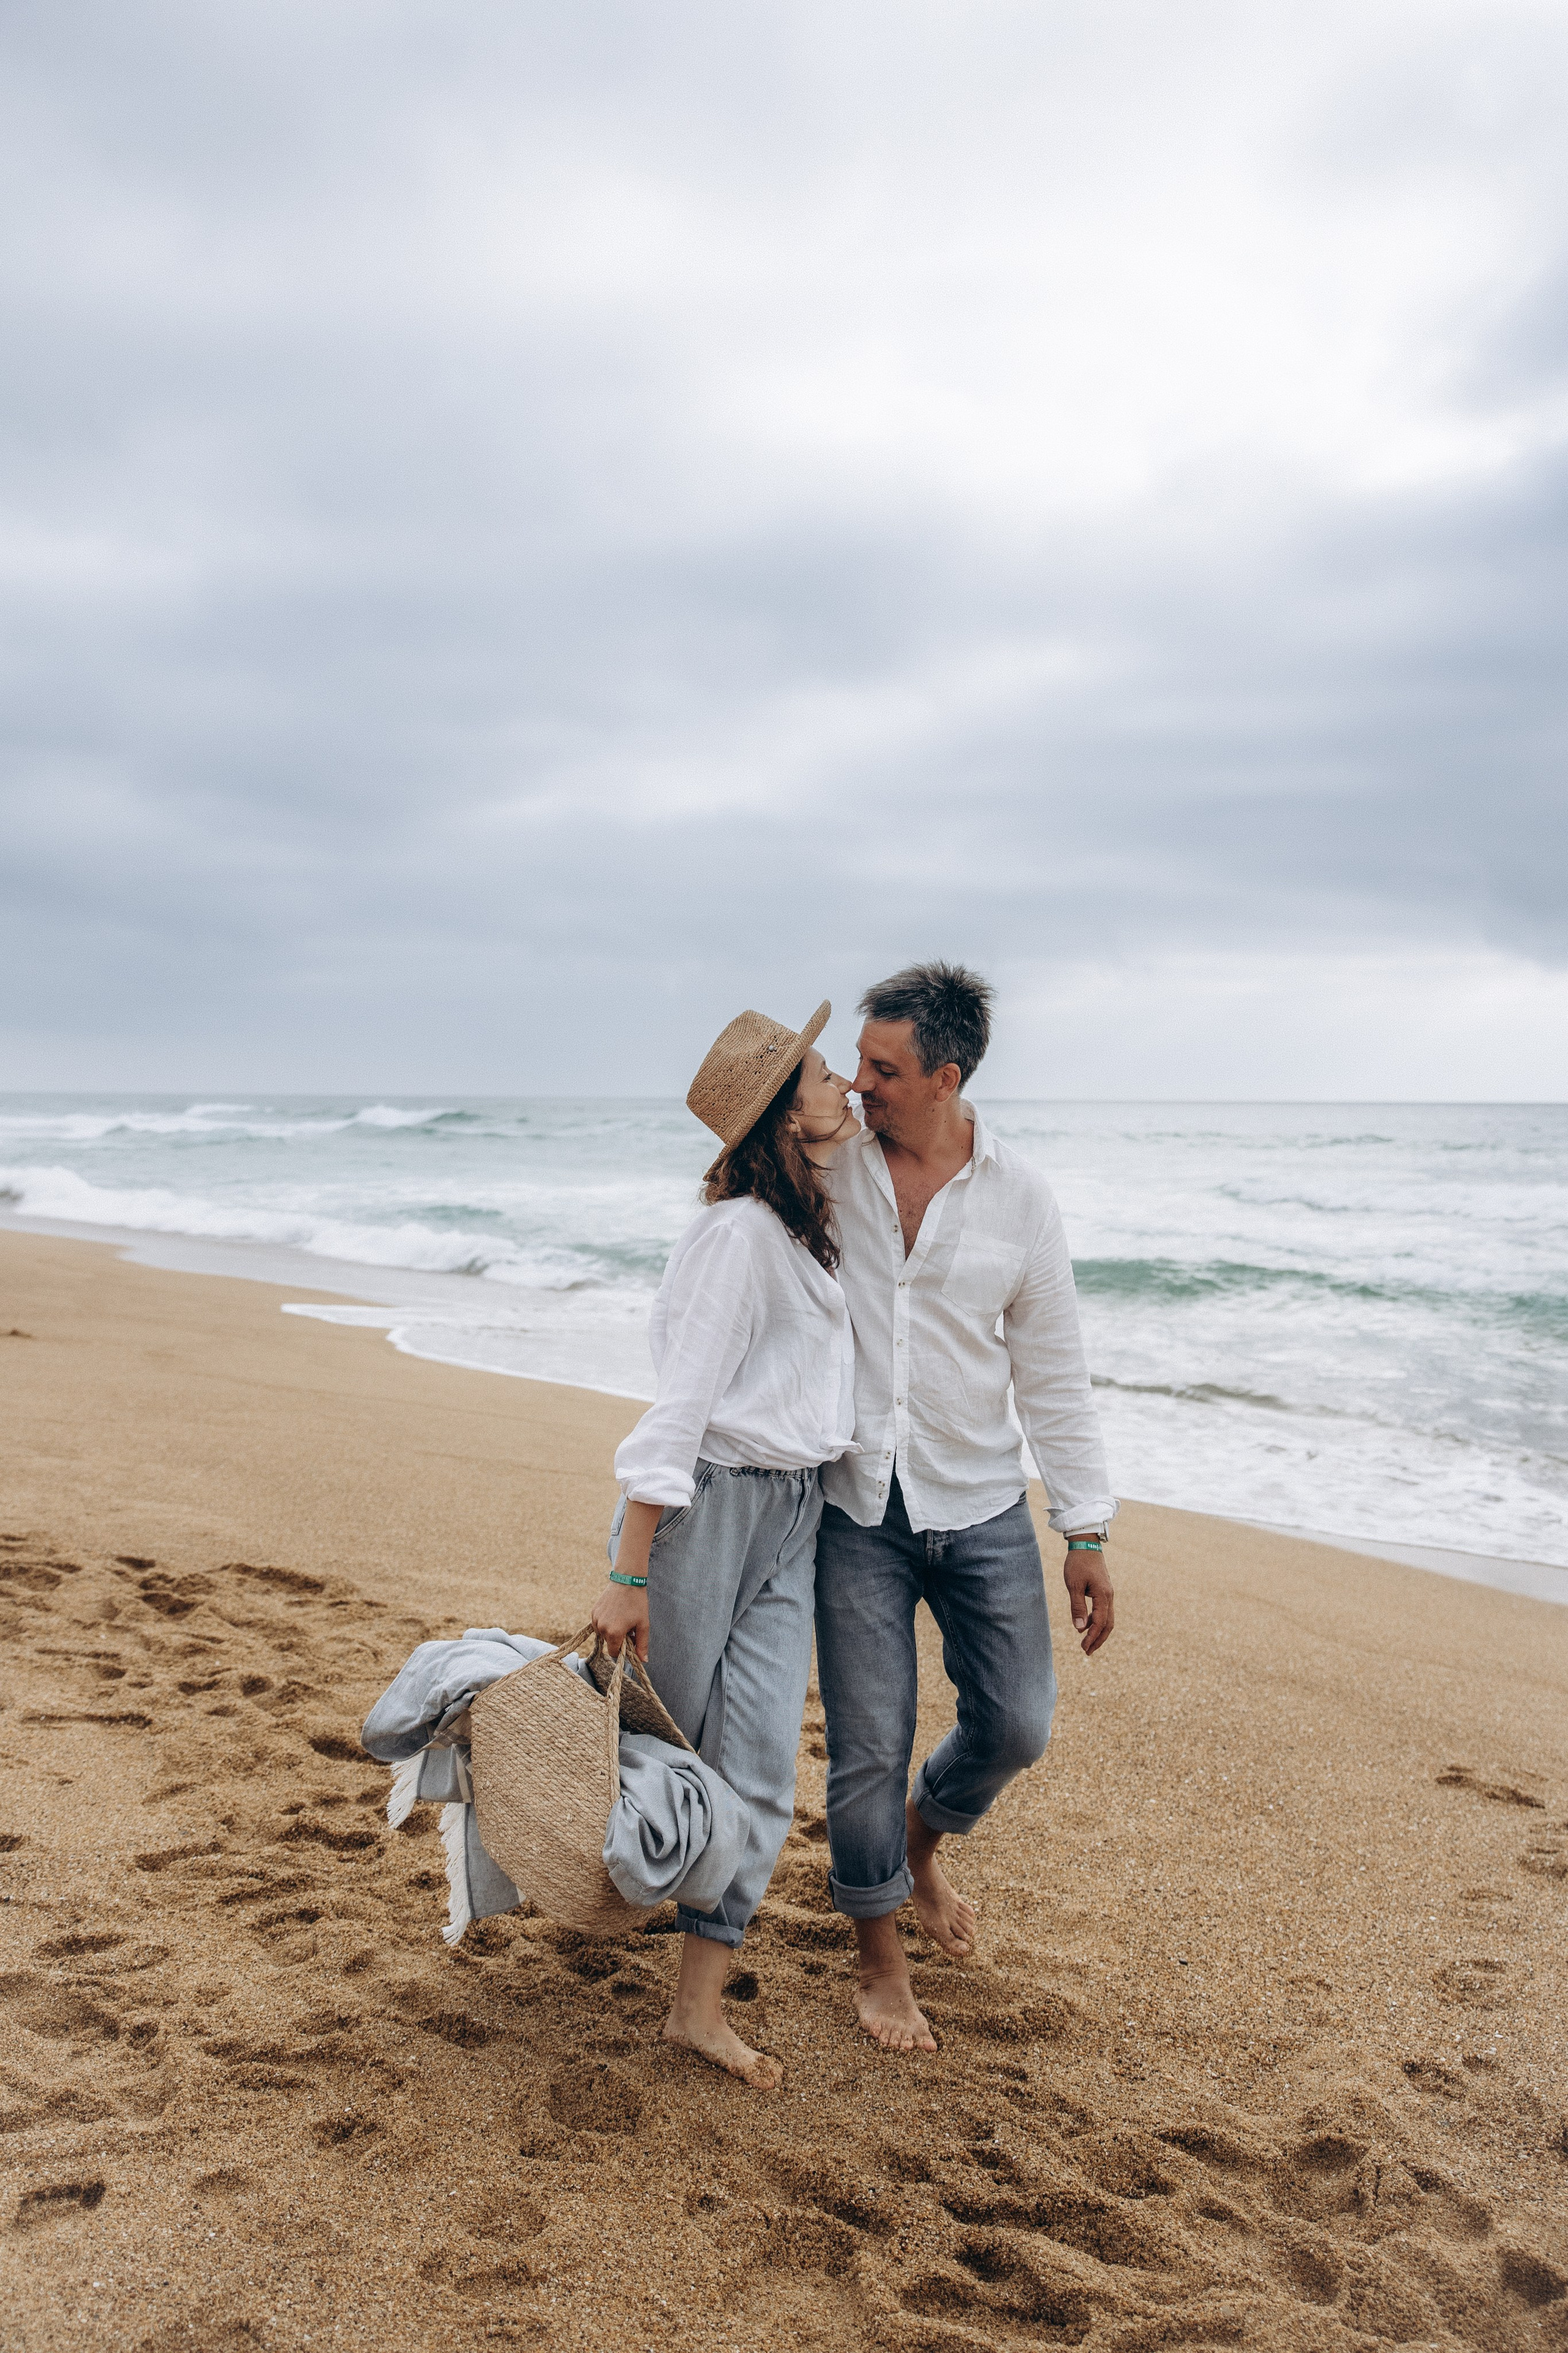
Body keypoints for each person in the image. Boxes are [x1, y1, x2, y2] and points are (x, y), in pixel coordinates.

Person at [814, 961, 1117, 2052]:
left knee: (1016, 1724)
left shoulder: (1022, 1199)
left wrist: (1082, 1529)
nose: (859, 1085)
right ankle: (878, 1957)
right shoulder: (830, 1163)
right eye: (857, 1060)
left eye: (883, 1068)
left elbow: (1054, 1371)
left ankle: (920, 1840)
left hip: (982, 1497)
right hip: (855, 1501)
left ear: (946, 1077)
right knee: (864, 1744)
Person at [592, 1001, 859, 2089]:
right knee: (647, 1735)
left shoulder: (801, 1221)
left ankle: (696, 2010)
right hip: (709, 1505)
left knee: (756, 1761)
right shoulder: (740, 1236)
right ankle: (530, 1862)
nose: (843, 1080)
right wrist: (627, 1565)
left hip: (793, 1512)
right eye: (822, 1074)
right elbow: (681, 1405)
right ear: (783, 1118)